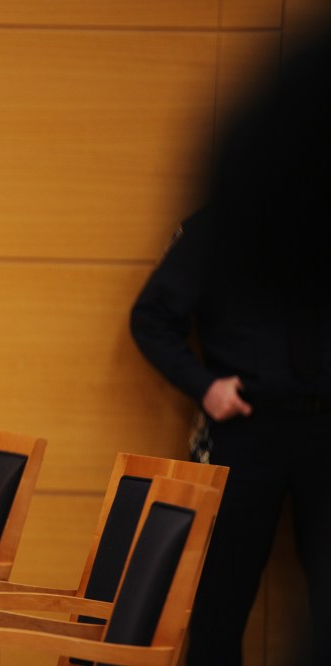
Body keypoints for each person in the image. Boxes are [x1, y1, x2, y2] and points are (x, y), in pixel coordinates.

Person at [130, 23, 331, 665]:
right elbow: (152, 317)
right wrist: (204, 386)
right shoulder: (225, 223)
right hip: (246, 421)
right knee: (221, 596)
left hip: (326, 426)